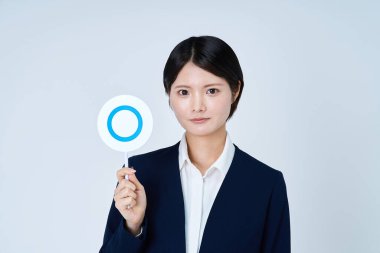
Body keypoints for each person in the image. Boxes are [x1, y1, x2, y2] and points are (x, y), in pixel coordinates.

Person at [99, 36, 291, 253]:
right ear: (169, 95)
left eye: (211, 91)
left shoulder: (265, 183)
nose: (197, 106)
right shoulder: (138, 174)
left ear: (235, 90)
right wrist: (133, 226)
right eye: (183, 92)